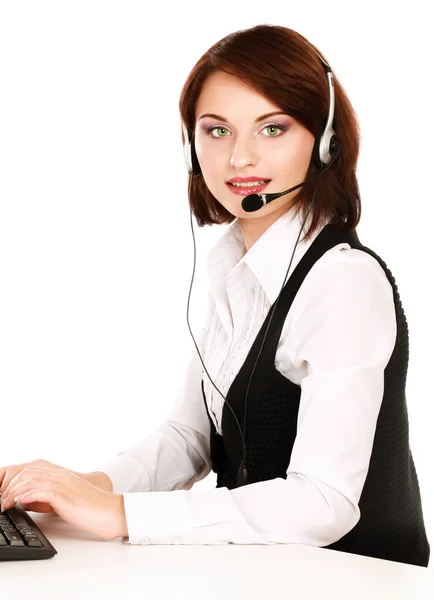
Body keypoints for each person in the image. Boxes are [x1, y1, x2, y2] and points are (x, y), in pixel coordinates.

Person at [0, 24, 430, 566]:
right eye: (217, 130)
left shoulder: (343, 281)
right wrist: (85, 487)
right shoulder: (238, 266)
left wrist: (123, 515)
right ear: (190, 145)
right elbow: (190, 435)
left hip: (358, 579)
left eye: (272, 129)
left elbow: (324, 502)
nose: (239, 159)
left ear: (325, 144)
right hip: (272, 575)